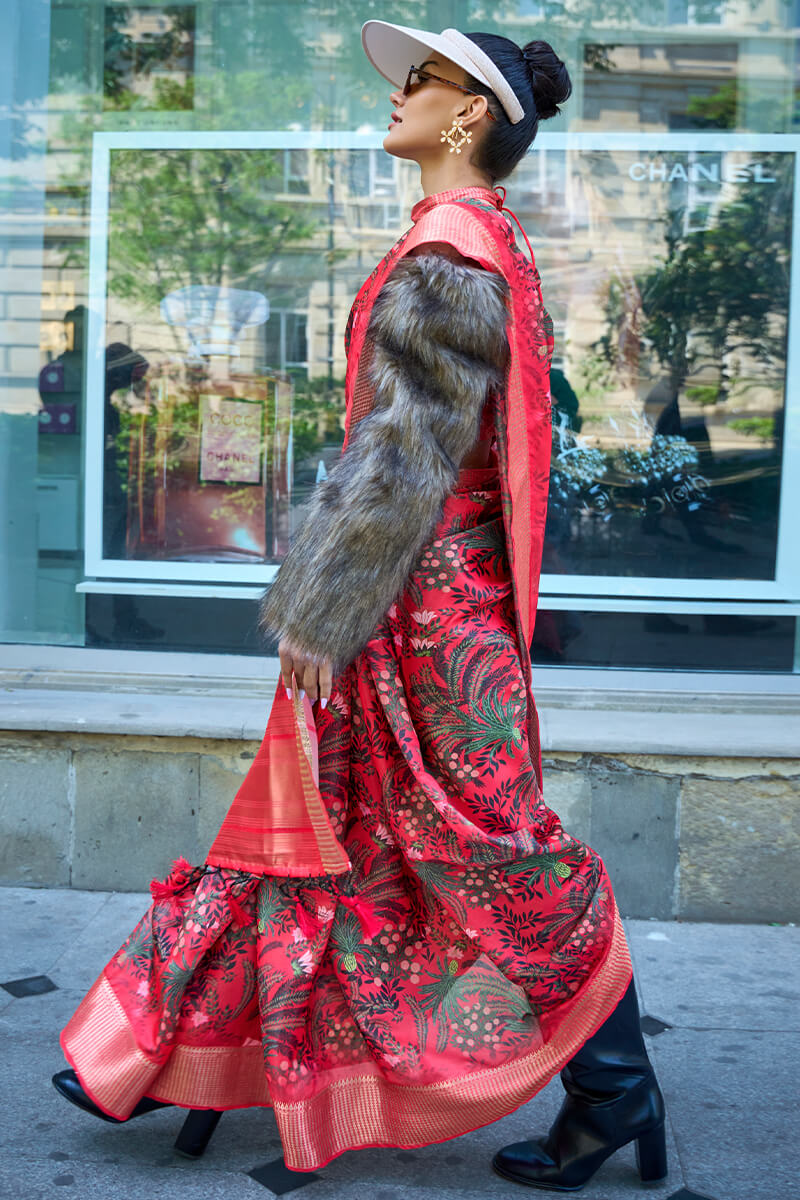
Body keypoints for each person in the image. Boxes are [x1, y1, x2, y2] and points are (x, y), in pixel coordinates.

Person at [52, 20, 667, 1191]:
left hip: (419, 611)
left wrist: (325, 615)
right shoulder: (486, 237)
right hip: (432, 600)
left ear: (470, 114)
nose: (396, 97)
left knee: (493, 847)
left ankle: (614, 1086)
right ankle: (189, 1057)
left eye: (420, 82)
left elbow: (401, 456)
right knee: (344, 837)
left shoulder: (445, 243)